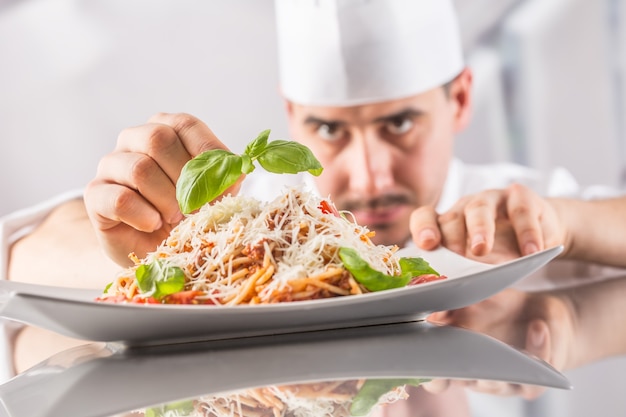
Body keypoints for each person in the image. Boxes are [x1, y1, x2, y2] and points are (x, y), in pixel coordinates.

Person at [2, 0, 625, 408]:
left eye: (401, 123)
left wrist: (569, 221)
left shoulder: (509, 207)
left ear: (459, 101)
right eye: (329, 130)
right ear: (293, 117)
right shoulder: (258, 216)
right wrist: (137, 243)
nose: (369, 172)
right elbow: (25, 250)